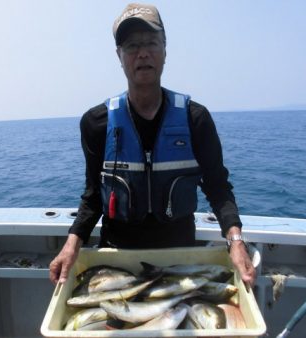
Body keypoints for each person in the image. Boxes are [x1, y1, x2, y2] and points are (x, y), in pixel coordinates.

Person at [49, 3, 256, 288]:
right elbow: (94, 194)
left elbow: (218, 188)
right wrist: (72, 243)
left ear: (165, 51)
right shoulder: (96, 123)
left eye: (151, 43)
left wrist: (235, 240)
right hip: (117, 258)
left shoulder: (196, 119)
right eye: (132, 45)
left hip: (180, 257)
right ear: (119, 56)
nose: (142, 53)